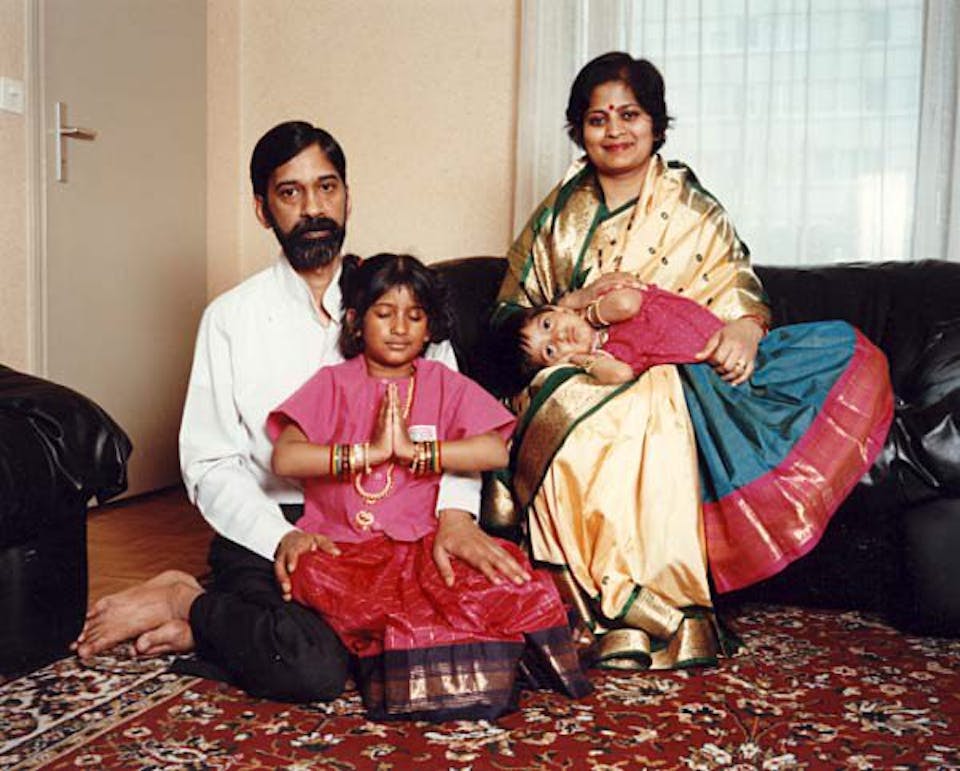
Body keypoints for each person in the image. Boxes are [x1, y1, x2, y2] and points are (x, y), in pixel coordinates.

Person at [72, 121, 528, 703]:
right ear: (263, 210)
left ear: (347, 196)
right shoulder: (230, 319)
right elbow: (210, 463)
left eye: (327, 187)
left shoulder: (400, 306)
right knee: (311, 669)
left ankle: (215, 628)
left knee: (455, 637)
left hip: (396, 527)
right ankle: (185, 599)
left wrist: (457, 516)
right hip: (275, 521)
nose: (314, 208)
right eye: (291, 193)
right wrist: (279, 537)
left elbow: (455, 419)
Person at [490, 51, 888, 670]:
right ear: (579, 129)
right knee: (587, 415)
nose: (615, 131)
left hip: (678, 376)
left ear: (655, 123)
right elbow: (513, 316)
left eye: (629, 115)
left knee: (652, 403)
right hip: (582, 376)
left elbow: (736, 294)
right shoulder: (557, 218)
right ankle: (600, 606)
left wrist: (746, 329)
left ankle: (651, 606)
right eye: (597, 119)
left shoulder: (692, 209)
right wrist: (574, 317)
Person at [267, 252, 590, 721]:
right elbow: (286, 456)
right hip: (344, 551)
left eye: (415, 316)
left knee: (504, 584)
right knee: (319, 579)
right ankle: (442, 655)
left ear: (429, 327)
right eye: (385, 313)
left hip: (421, 546)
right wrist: (369, 453)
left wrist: (418, 453)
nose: (400, 328)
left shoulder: (441, 382)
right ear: (355, 321)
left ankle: (444, 654)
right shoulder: (333, 383)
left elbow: (493, 451)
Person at [499, 282, 893, 594]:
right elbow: (617, 375)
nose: (560, 337)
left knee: (838, 346)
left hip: (733, 353)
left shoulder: (609, 306)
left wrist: (580, 306)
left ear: (559, 309)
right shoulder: (611, 353)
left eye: (548, 324)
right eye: (550, 351)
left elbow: (627, 302)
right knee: (742, 441)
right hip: (707, 381)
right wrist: (582, 358)